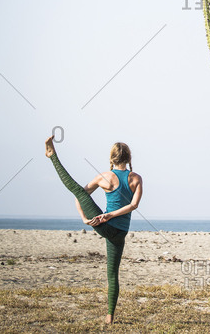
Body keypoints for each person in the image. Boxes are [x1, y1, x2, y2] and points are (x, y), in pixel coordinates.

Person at [45, 135, 143, 325]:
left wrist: (98, 217)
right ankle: (110, 317)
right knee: (113, 273)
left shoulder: (104, 177)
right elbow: (133, 206)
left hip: (105, 226)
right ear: (128, 158)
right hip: (120, 232)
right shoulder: (136, 178)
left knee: (78, 190)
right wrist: (92, 218)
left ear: (111, 158)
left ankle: (52, 156)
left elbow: (80, 195)